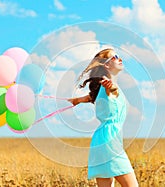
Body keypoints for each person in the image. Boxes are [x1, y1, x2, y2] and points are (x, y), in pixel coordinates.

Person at [68, 48, 138, 187]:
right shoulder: (109, 86)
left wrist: (77, 100)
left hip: (100, 140)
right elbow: (112, 90)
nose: (120, 59)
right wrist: (110, 87)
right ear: (106, 65)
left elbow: (91, 97)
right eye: (115, 57)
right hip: (109, 141)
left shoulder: (100, 88)